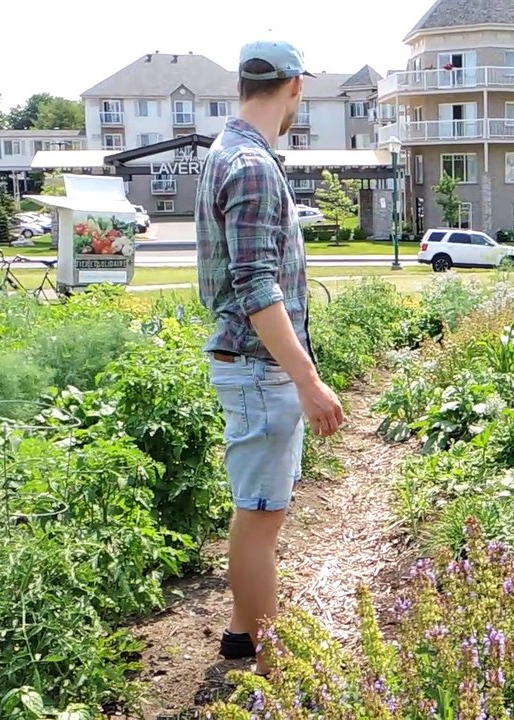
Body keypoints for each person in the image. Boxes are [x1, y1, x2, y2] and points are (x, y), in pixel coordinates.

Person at [195, 38, 345, 675]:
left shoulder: (225, 150)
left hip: (251, 367)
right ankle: (267, 663)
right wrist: (307, 380)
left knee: (255, 509)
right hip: (260, 369)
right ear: (294, 89)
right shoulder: (254, 166)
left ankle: (239, 632)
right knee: (261, 518)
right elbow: (257, 286)